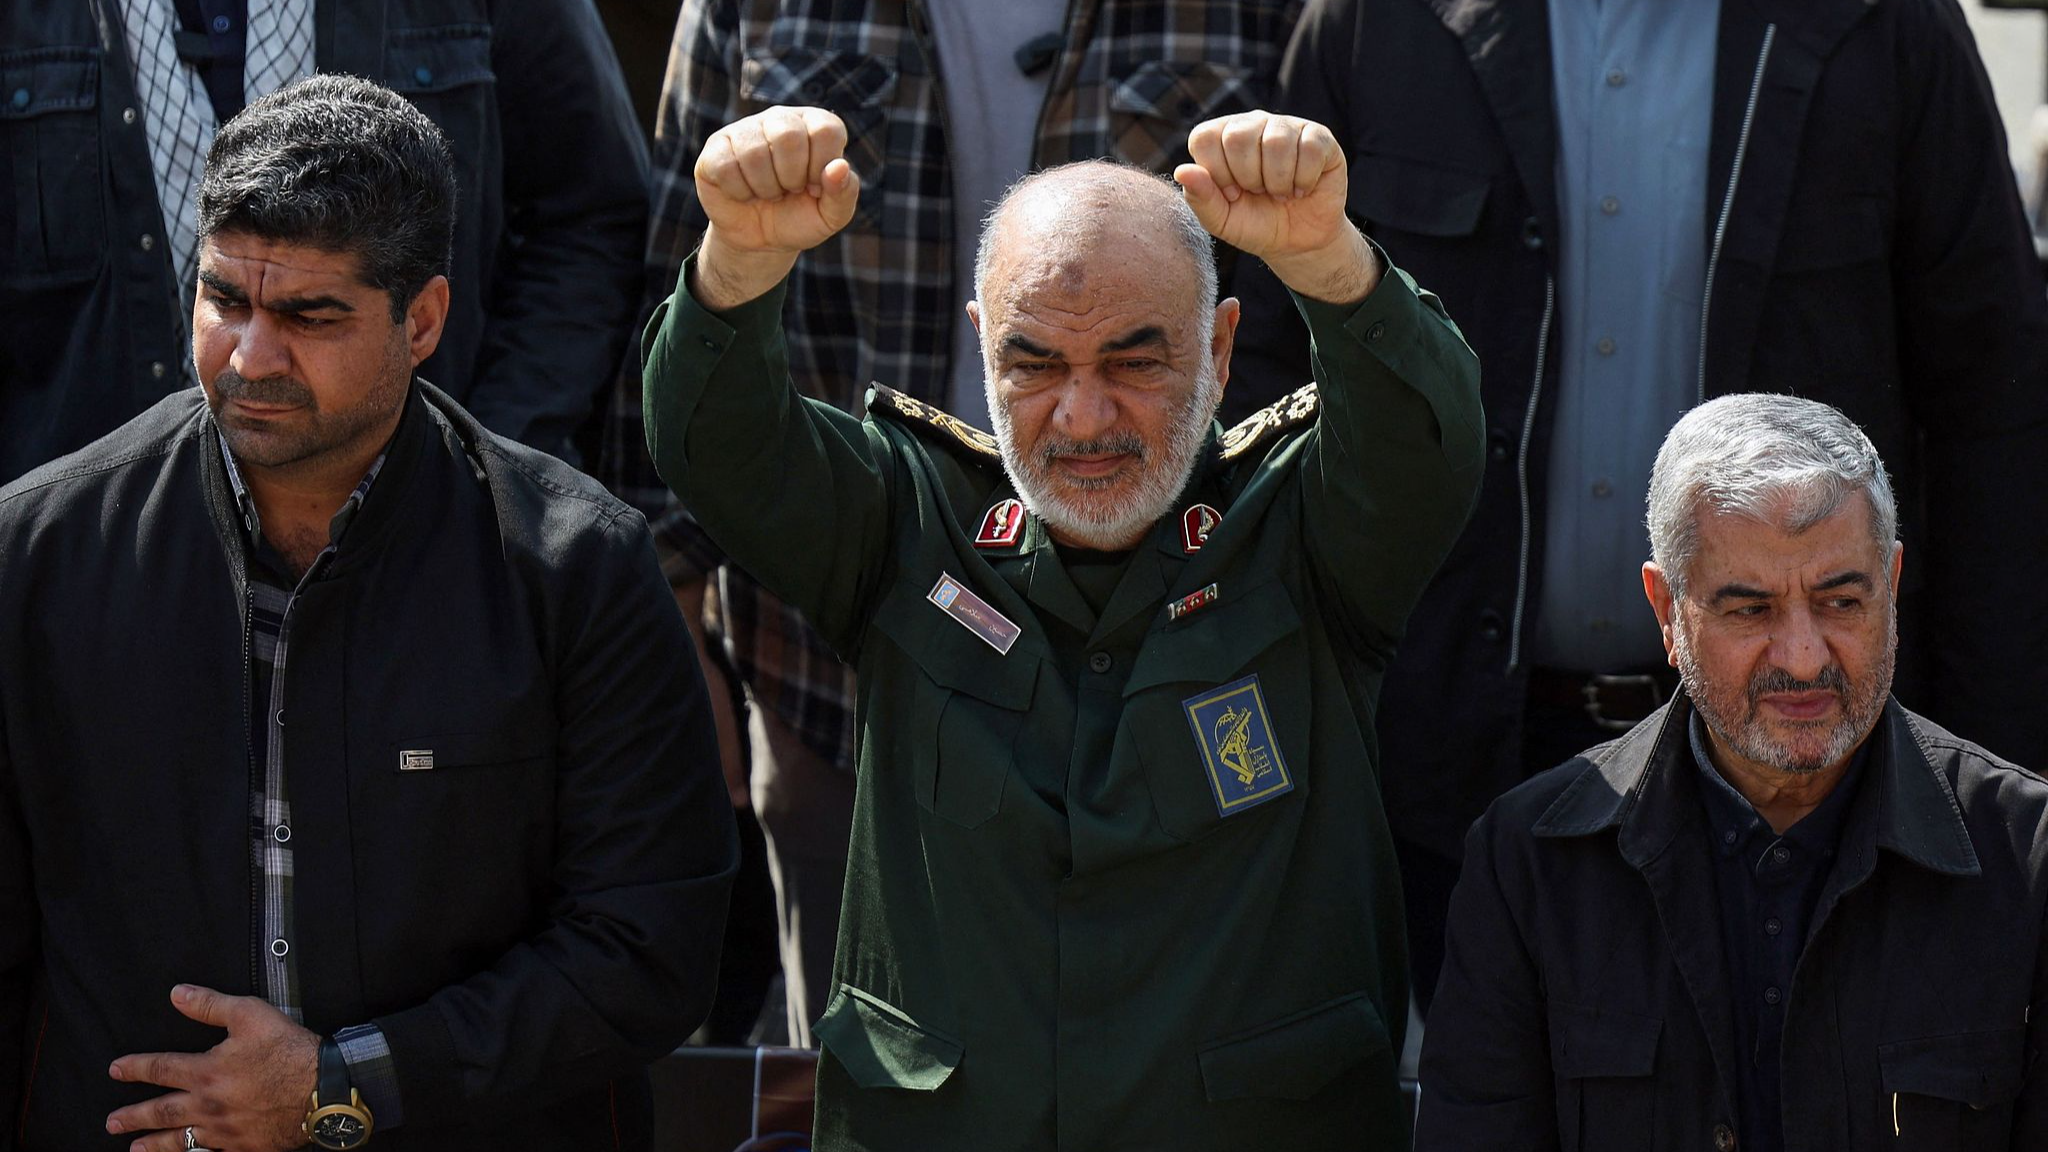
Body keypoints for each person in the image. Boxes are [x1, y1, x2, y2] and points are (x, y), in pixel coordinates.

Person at [643, 104, 1483, 1148]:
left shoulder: (1304, 534)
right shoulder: (902, 523)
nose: (1082, 418)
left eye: (1135, 363)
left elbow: (1427, 437)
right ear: (981, 351)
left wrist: (1329, 260)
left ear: (1220, 353)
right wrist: (736, 263)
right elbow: (713, 443)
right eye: (1034, 365)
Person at [1232, 0, 2048, 1004]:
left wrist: (1983, 792)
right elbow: (1269, 396)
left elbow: (1995, 418)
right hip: (1440, 776)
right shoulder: (1373, 26)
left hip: (1793, 771)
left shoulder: (1883, 29)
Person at [0, 75, 736, 1151]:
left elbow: (648, 950)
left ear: (424, 319)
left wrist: (344, 1084)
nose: (251, 357)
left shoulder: (575, 568)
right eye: (224, 301)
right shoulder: (39, 554)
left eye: (309, 316)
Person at [598, 0, 1304, 1047]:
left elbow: (1304, 304)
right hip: (831, 674)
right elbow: (680, 276)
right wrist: (670, 607)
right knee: (880, 1065)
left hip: (1189, 671)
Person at [1415, 394, 2048, 1151]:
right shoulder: (1531, 867)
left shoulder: (2028, 858)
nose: (1804, 656)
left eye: (1841, 601)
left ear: (1893, 583)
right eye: (1750, 612)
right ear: (1667, 611)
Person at [1, 0, 649, 482]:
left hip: (431, 562)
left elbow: (588, 212)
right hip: (87, 580)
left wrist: (486, 464)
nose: (251, 362)